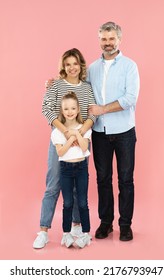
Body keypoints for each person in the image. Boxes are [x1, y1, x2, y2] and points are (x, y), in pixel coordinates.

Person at [33, 48, 96, 249]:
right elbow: (47, 109)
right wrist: (67, 132)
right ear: (63, 66)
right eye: (68, 64)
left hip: (82, 140)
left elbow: (92, 113)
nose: (72, 67)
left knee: (78, 187)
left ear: (81, 65)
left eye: (75, 63)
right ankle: (43, 230)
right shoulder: (56, 86)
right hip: (61, 140)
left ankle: (76, 226)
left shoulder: (87, 88)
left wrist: (80, 133)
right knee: (53, 185)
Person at [88, 21, 140, 241]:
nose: (107, 43)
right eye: (103, 39)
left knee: (126, 179)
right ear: (99, 40)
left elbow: (130, 99)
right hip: (99, 132)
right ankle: (106, 223)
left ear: (119, 39)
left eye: (111, 39)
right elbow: (82, 92)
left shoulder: (130, 66)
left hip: (124, 131)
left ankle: (125, 225)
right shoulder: (92, 68)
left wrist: (103, 109)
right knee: (103, 179)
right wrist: (54, 84)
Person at [51, 92, 92, 248]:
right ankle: (66, 234)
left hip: (81, 168)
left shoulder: (84, 128)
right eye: (66, 109)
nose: (70, 111)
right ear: (62, 110)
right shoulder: (57, 132)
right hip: (66, 170)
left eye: (73, 108)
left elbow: (84, 147)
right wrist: (72, 137)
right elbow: (60, 152)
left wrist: (76, 134)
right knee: (67, 203)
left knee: (82, 202)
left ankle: (86, 234)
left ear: (78, 109)